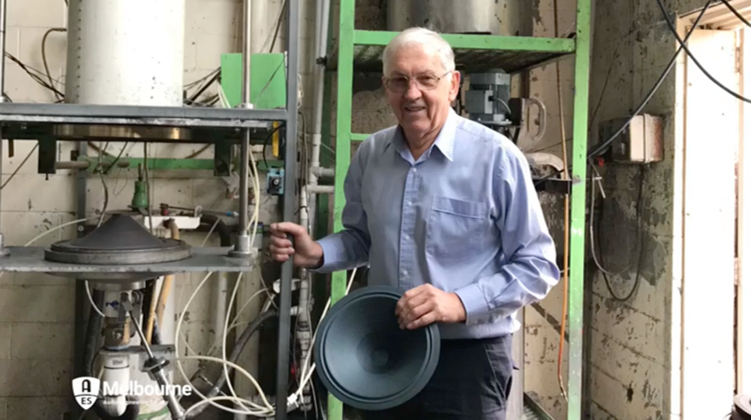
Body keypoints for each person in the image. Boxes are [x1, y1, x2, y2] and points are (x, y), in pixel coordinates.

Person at [269, 27, 559, 420]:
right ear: (386, 87)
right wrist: (318, 252)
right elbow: (361, 238)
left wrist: (457, 302)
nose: (411, 93)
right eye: (399, 81)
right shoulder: (372, 154)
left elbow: (537, 266)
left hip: (467, 359)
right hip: (389, 347)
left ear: (453, 84)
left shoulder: (496, 159)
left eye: (426, 79)